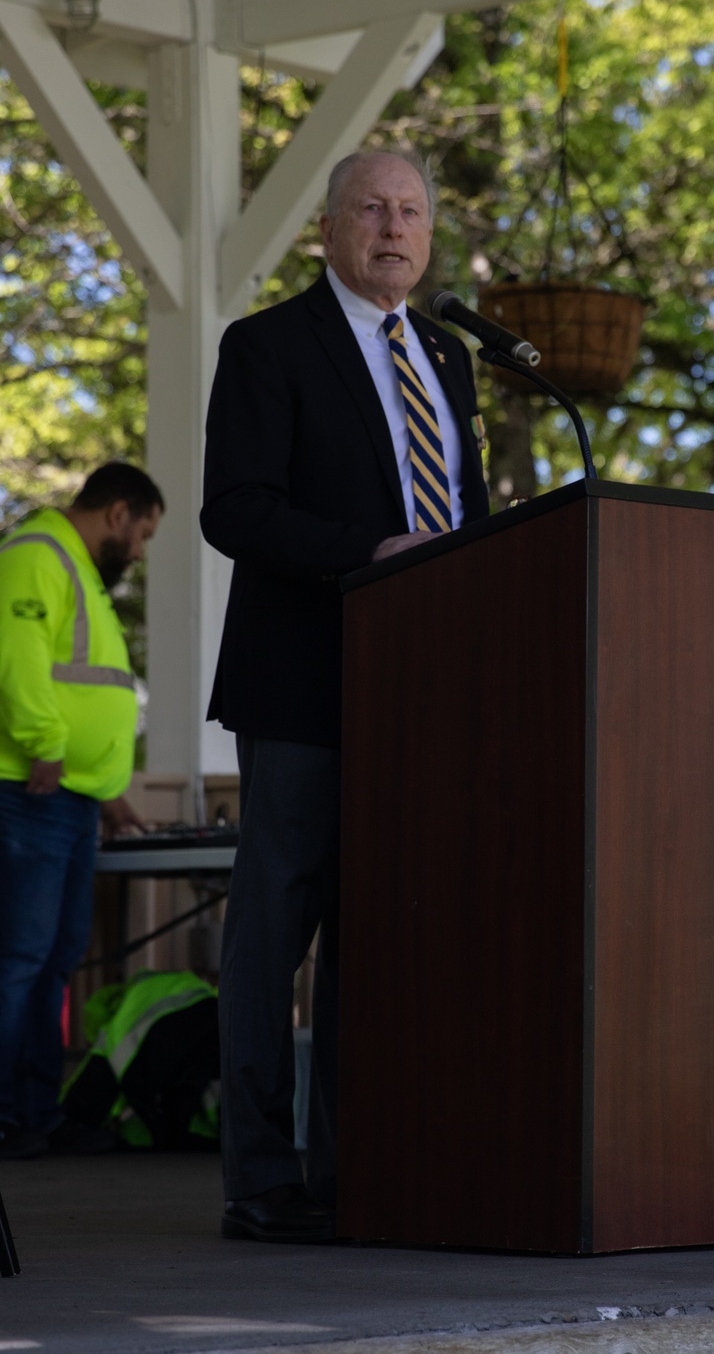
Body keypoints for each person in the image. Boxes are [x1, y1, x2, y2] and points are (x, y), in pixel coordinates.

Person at [201, 148, 490, 1243]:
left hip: (423, 700)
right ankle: (261, 1179)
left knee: (383, 938)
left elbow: (459, 510)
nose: (394, 226)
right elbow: (234, 509)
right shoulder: (269, 346)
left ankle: (355, 1168)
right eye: (371, 207)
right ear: (327, 227)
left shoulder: (449, 360)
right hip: (305, 683)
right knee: (276, 936)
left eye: (411, 210)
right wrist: (369, 549)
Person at [0, 462, 164, 1160]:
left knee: (54, 959)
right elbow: (18, 657)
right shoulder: (38, 555)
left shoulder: (77, 571)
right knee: (21, 958)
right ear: (118, 511)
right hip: (29, 791)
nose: (140, 550)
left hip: (71, 800)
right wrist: (45, 745)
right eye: (144, 534)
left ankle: (36, 1113)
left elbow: (82, 684)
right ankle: (9, 1116)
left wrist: (108, 792)